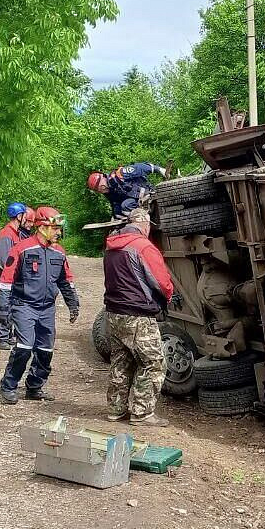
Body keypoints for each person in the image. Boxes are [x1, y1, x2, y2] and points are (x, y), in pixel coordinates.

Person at [0, 206, 80, 404]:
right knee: (24, 347)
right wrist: (3, 310)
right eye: (55, 228)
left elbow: (65, 281)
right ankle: (8, 386)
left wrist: (73, 303)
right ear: (42, 227)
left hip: (47, 309)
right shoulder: (21, 249)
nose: (59, 232)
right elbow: (6, 280)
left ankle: (34, 386)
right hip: (24, 305)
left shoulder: (59, 252)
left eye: (59, 228)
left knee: (45, 350)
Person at [102, 208, 173, 427]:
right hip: (138, 314)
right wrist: (169, 296)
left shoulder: (111, 246)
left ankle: (116, 409)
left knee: (121, 362)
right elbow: (160, 281)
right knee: (153, 362)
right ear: (146, 226)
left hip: (114, 313)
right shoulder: (143, 246)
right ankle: (142, 413)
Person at [0, 202, 27, 350]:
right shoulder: (6, 235)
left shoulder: (15, 234)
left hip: (15, 277)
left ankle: (8, 336)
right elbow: (4, 261)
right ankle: (2, 338)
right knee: (4, 307)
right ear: (19, 216)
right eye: (24, 215)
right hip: (6, 277)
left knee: (12, 307)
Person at [87, 162, 165, 218]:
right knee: (119, 210)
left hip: (147, 194)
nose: (100, 190)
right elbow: (115, 204)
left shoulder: (120, 174)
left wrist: (159, 169)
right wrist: (116, 217)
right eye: (97, 190)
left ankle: (145, 215)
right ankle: (141, 218)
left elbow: (140, 168)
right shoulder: (109, 192)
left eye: (99, 188)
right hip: (136, 202)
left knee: (126, 205)